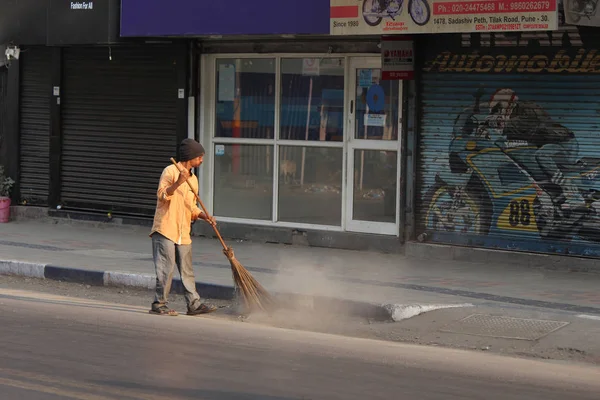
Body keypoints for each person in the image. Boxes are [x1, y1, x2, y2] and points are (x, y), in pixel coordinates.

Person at [149, 138, 218, 316]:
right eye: (200, 157)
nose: (202, 160)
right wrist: (178, 182)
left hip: (183, 232)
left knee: (187, 270)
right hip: (166, 229)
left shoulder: (193, 180)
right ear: (190, 157)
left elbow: (192, 208)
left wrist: (205, 216)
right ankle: (159, 304)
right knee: (166, 269)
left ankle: (193, 304)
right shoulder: (170, 171)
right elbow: (162, 195)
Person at [488, 88, 585, 210]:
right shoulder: (513, 115)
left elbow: (527, 123)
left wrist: (502, 124)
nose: (499, 112)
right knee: (533, 164)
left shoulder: (528, 107)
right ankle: (557, 199)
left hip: (563, 142)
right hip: (547, 144)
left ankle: (574, 196)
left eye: (499, 108)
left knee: (541, 156)